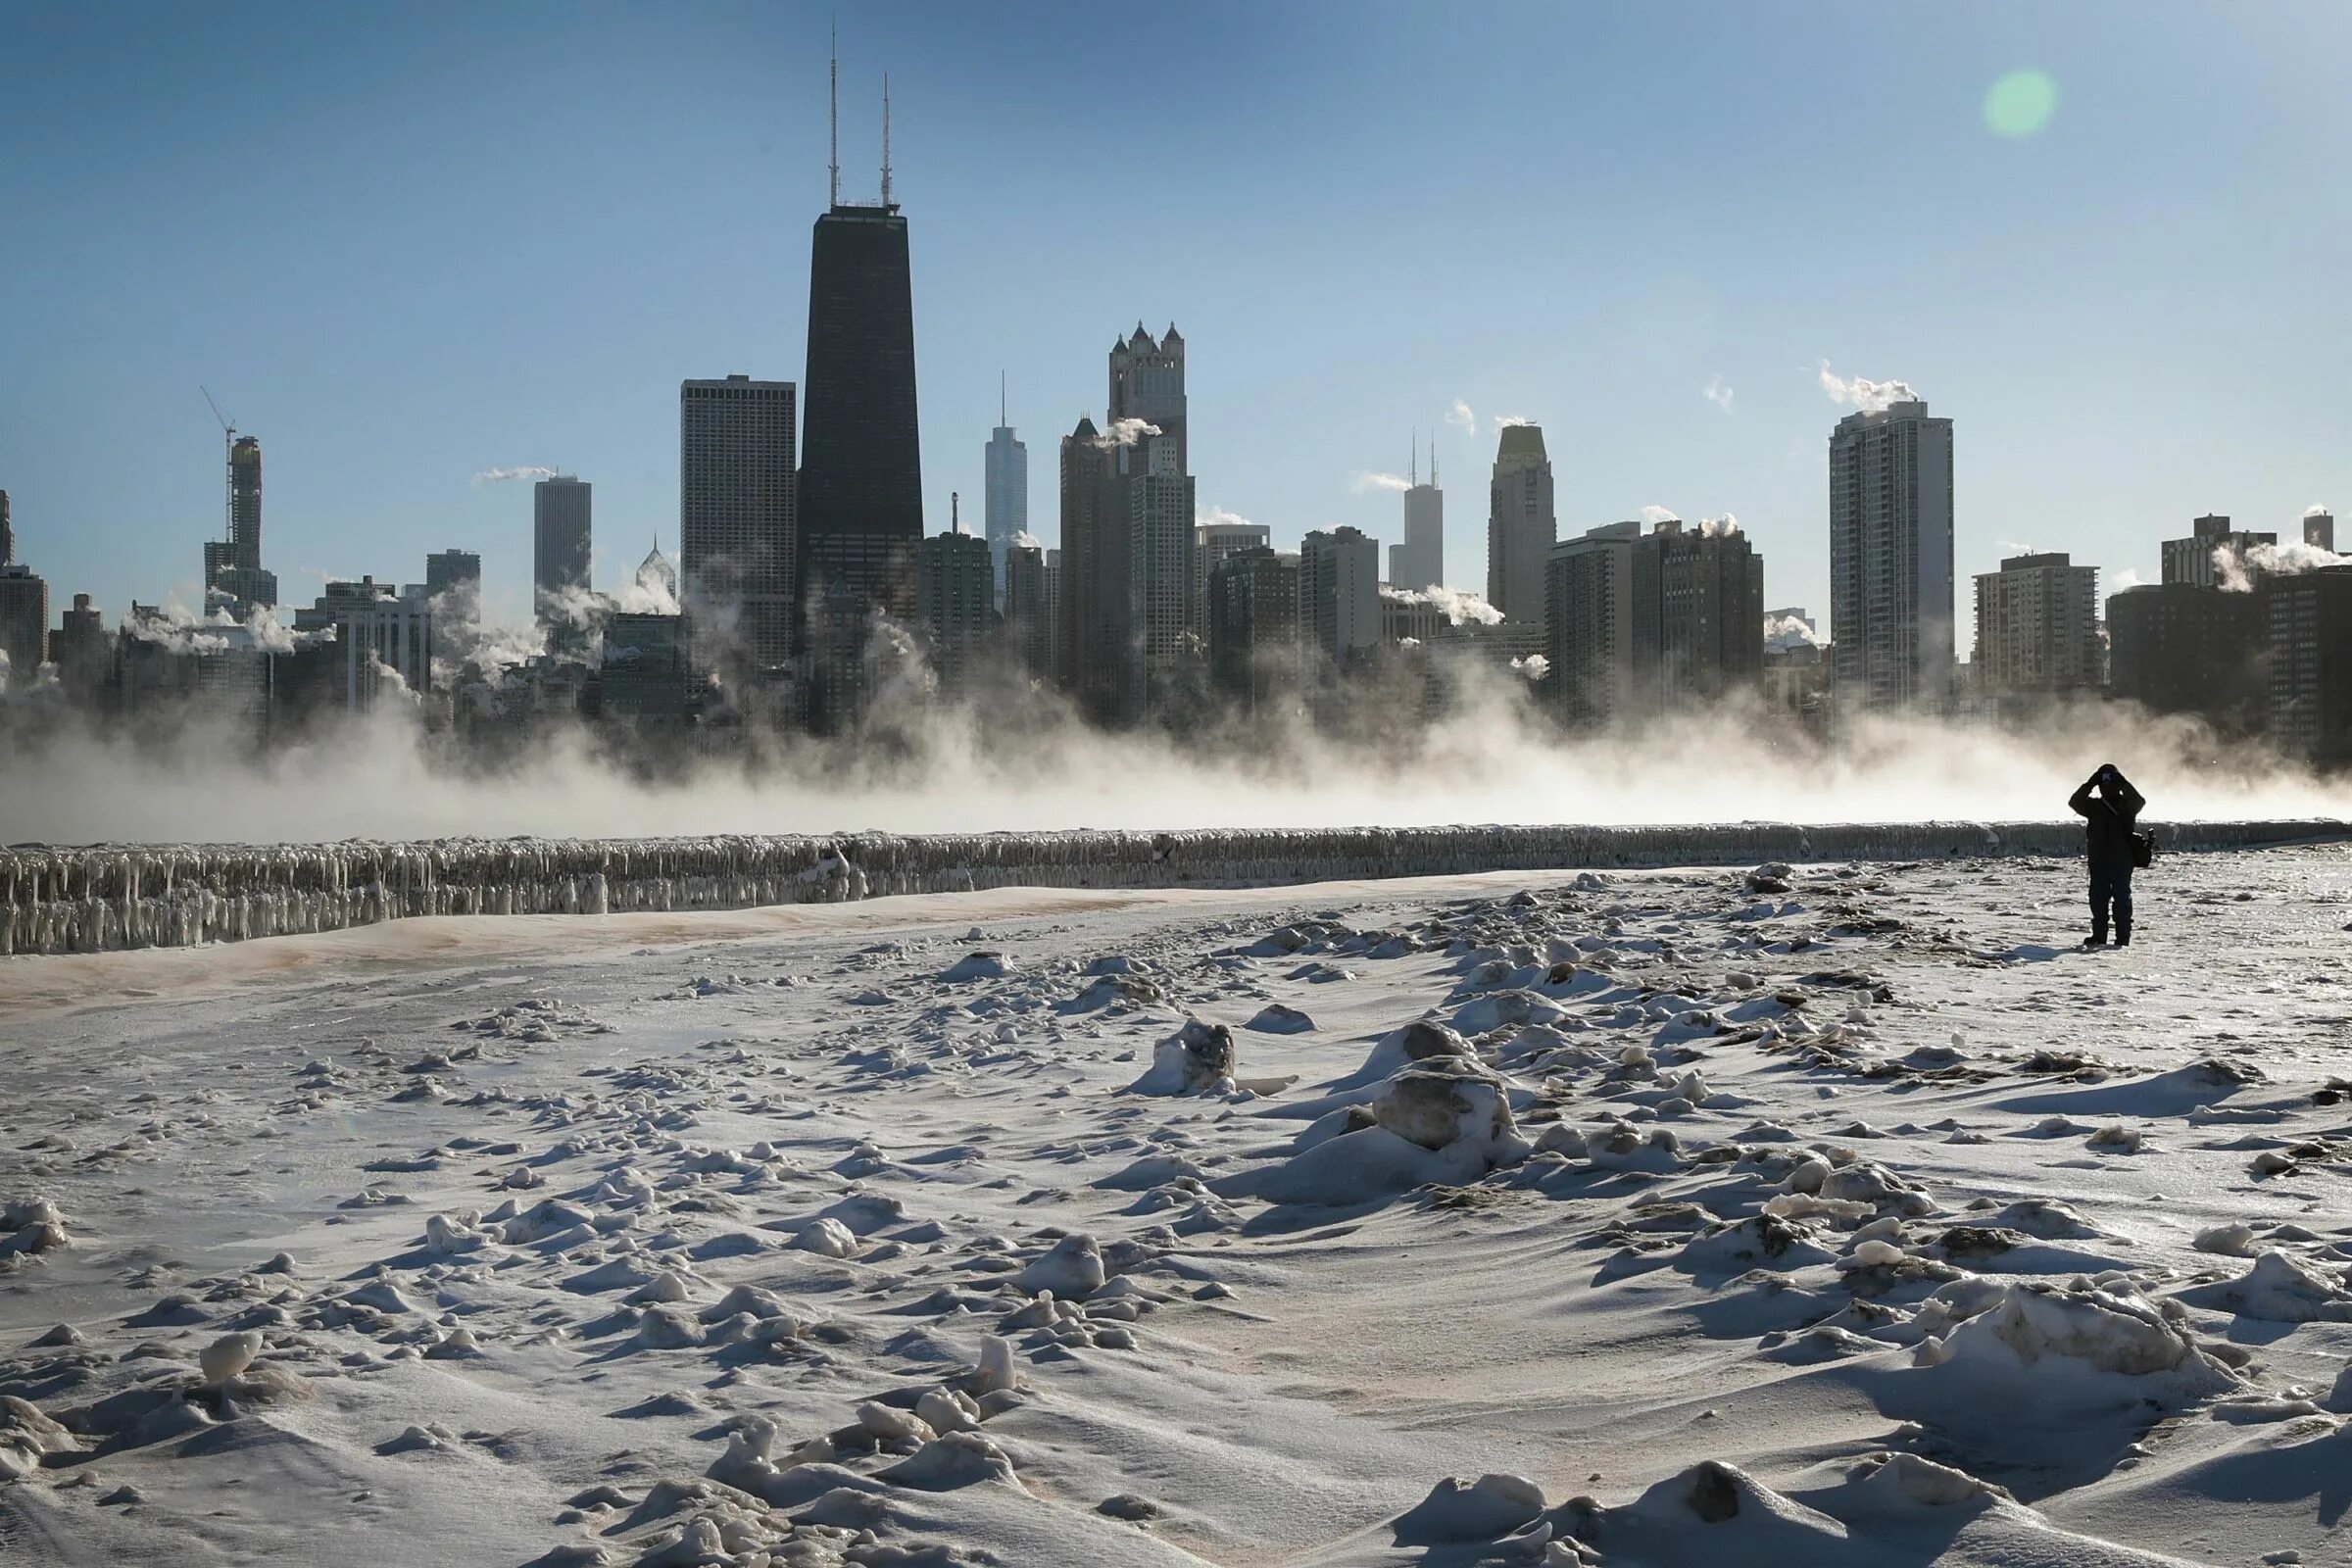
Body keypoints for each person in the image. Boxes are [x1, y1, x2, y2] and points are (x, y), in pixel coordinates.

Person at [2068, 762, 2145, 948]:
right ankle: (2099, 936)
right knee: (2098, 900)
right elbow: (2074, 802)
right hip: (2100, 860)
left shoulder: (2127, 806)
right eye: (2104, 781)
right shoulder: (2095, 806)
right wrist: (2090, 783)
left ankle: (2122, 938)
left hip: (2120, 861)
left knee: (2121, 900)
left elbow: (2139, 801)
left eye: (2111, 780)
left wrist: (2123, 783)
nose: (2107, 785)